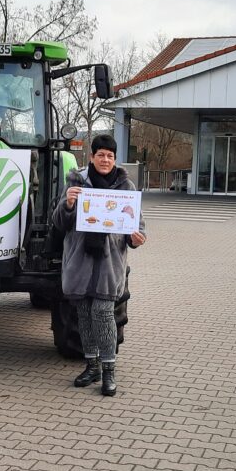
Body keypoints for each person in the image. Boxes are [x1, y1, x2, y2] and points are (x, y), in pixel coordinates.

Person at [51, 134, 146, 397]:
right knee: (83, 314)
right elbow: (59, 223)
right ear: (91, 157)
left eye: (110, 156)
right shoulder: (76, 183)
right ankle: (91, 366)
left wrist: (137, 238)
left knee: (103, 315)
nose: (105, 160)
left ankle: (108, 372)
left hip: (108, 264)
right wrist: (69, 204)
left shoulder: (125, 188)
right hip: (80, 261)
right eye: (101, 155)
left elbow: (137, 227)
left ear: (115, 159)